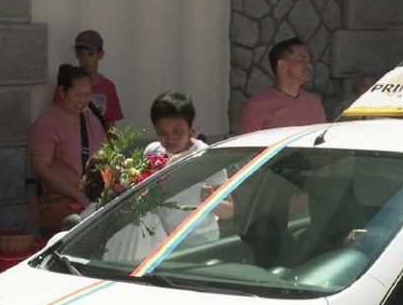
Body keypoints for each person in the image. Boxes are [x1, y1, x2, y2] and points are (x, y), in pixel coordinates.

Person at [144, 91, 233, 244]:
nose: (170, 138)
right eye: (162, 133)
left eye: (178, 132)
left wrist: (212, 201)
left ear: (191, 127)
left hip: (200, 244)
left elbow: (230, 210)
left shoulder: (206, 156)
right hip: (160, 244)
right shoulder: (152, 153)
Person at [29, 64, 107, 236]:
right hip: (61, 207)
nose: (83, 100)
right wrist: (77, 195)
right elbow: (40, 167)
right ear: (63, 92)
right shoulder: (47, 123)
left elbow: (105, 155)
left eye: (87, 95)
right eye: (77, 95)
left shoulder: (91, 119)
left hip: (91, 205)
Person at [238, 37, 327, 134]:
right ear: (282, 65)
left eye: (309, 60)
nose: (309, 66)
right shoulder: (257, 106)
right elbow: (247, 146)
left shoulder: (314, 103)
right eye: (303, 59)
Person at [53, 30, 123, 130]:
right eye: (81, 54)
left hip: (100, 144)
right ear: (76, 55)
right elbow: (56, 120)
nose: (86, 59)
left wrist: (112, 146)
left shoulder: (108, 87)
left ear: (100, 54)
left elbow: (111, 126)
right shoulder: (65, 85)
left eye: (90, 54)